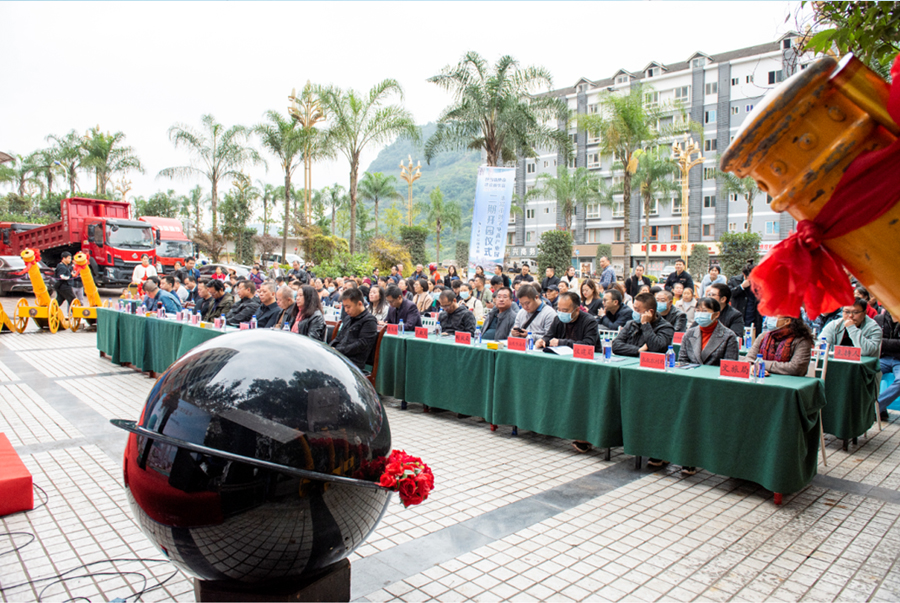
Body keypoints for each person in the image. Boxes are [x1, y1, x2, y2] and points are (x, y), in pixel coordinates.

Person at [743, 316, 814, 376]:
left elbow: (796, 368)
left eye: (774, 315)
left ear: (787, 321)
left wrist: (761, 364)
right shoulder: (763, 336)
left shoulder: (801, 340)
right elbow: (748, 360)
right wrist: (753, 367)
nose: (769, 318)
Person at [677, 298, 739, 366]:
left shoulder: (729, 336)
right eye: (698, 310)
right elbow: (682, 360)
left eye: (705, 311)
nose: (700, 314)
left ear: (716, 314)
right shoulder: (689, 333)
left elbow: (729, 364)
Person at [612, 292, 675, 357]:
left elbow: (656, 348)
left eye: (637, 310)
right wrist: (638, 350)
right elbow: (615, 345)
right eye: (634, 308)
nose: (634, 312)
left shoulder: (665, 327)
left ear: (650, 312)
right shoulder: (631, 324)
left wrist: (645, 324)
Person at [330, 288, 379, 371]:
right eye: (344, 307)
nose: (346, 310)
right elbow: (339, 338)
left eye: (348, 307)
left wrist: (338, 351)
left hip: (353, 363)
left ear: (359, 303)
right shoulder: (348, 318)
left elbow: (361, 345)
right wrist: (329, 348)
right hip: (340, 357)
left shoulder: (369, 321)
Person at [536, 292, 600, 351]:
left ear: (577, 310)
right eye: (559, 309)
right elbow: (550, 335)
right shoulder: (558, 319)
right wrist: (543, 340)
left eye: (565, 311)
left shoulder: (589, 322)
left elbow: (588, 344)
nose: (561, 313)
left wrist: (561, 343)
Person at [875, 309, 900, 422]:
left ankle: (875, 409)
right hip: (883, 357)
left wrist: (883, 342)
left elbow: (879, 341)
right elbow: (874, 340)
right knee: (865, 373)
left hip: (898, 360)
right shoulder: (879, 319)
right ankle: (881, 409)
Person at [730, 264, 762, 335]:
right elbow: (729, 293)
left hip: (754, 316)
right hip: (739, 313)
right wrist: (741, 287)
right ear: (744, 275)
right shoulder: (735, 280)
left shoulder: (759, 282)